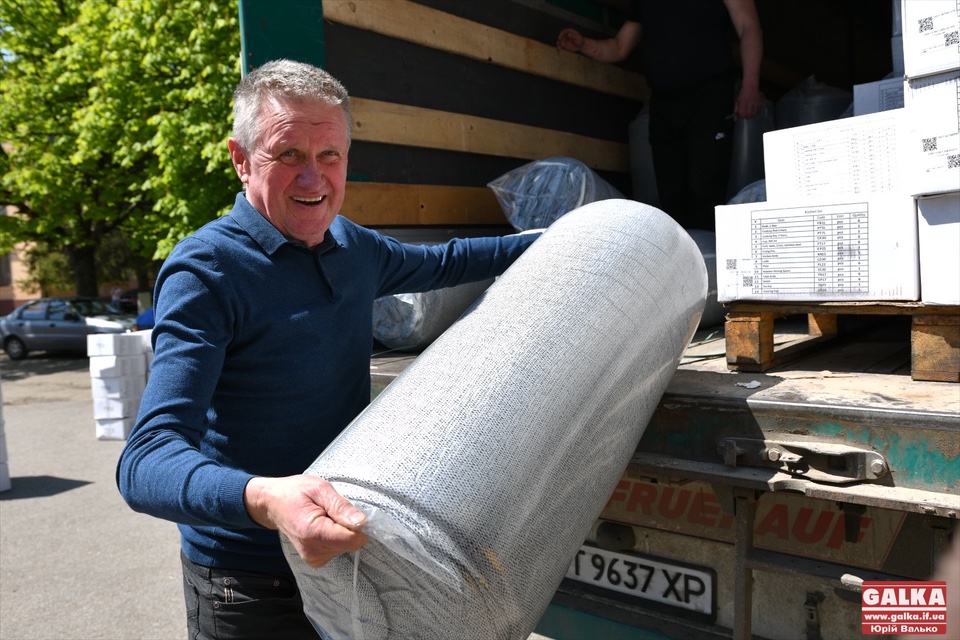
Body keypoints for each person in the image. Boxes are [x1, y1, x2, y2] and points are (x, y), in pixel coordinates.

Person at [116, 59, 538, 639]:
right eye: (288, 154)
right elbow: (145, 462)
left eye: (330, 155)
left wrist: (562, 237)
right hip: (249, 582)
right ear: (241, 160)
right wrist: (265, 499)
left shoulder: (351, 245)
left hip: (348, 564)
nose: (313, 178)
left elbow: (448, 262)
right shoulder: (206, 271)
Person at [557, 0, 763, 231]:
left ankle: (711, 251)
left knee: (705, 189)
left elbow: (748, 27)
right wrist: (583, 44)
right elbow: (619, 47)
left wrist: (750, 86)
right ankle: (680, 253)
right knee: (671, 195)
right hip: (664, 104)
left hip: (710, 98)